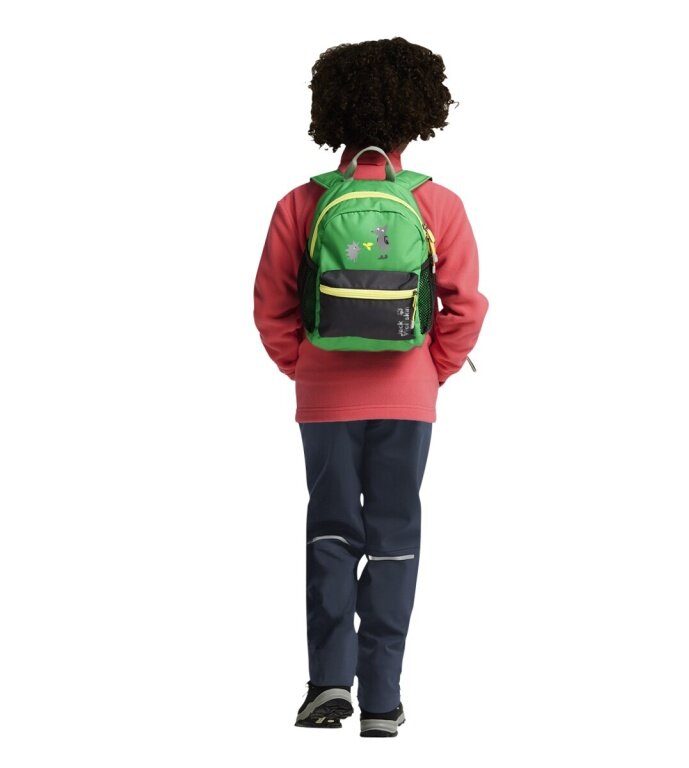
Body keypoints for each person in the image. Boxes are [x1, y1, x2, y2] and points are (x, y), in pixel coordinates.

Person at [253, 37, 488, 737]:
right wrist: (430, 372)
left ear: (331, 111)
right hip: (407, 399)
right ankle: (382, 702)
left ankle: (328, 683)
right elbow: (466, 307)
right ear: (418, 114)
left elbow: (270, 307)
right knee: (394, 537)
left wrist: (305, 368)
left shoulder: (301, 203)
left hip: (323, 399)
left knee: (330, 532)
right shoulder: (437, 204)